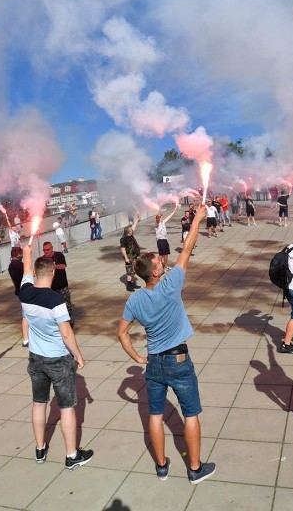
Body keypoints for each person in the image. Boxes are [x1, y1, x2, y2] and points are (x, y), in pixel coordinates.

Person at [116, 207, 216, 484]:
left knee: (155, 415)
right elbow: (188, 246)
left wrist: (137, 357)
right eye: (159, 263)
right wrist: (198, 218)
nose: (162, 261)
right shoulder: (170, 284)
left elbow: (121, 333)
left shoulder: (134, 300)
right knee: (191, 414)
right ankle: (195, 469)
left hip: (154, 362)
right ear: (156, 273)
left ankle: (162, 466)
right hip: (178, 361)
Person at [19, 243, 93, 468]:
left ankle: (40, 449)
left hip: (35, 358)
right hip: (58, 360)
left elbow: (25, 270)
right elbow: (67, 333)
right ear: (52, 273)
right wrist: (78, 355)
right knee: (66, 407)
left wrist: (26, 253)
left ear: (35, 274)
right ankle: (72, 456)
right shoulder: (56, 301)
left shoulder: (25, 291)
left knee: (39, 403)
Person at [42, 241, 74, 320]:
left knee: (67, 305)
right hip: (51, 288)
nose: (46, 251)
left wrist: (53, 266)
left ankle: (69, 322)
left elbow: (63, 266)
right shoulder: (43, 259)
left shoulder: (59, 255)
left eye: (47, 249)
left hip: (62, 286)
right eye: (44, 250)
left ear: (52, 248)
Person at [8, 247, 28, 346]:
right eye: (21, 254)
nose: (22, 255)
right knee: (26, 315)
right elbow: (28, 275)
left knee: (25, 314)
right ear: (17, 254)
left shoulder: (10, 266)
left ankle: (26, 338)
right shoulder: (20, 265)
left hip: (18, 291)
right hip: (24, 291)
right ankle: (26, 338)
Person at [119, 213, 141, 292]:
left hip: (134, 256)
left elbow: (133, 226)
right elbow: (123, 249)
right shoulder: (123, 239)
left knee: (134, 270)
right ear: (128, 232)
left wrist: (137, 219)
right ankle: (129, 285)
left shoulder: (130, 235)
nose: (132, 230)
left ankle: (133, 283)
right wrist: (126, 258)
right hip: (129, 257)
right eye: (131, 230)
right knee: (129, 271)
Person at [154, 204, 178, 270]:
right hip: (160, 240)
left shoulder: (163, 222)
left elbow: (168, 217)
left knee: (166, 253)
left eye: (162, 217)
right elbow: (157, 220)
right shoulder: (157, 225)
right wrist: (158, 214)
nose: (162, 218)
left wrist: (173, 211)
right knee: (161, 254)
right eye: (161, 217)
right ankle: (159, 266)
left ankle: (166, 266)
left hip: (165, 239)